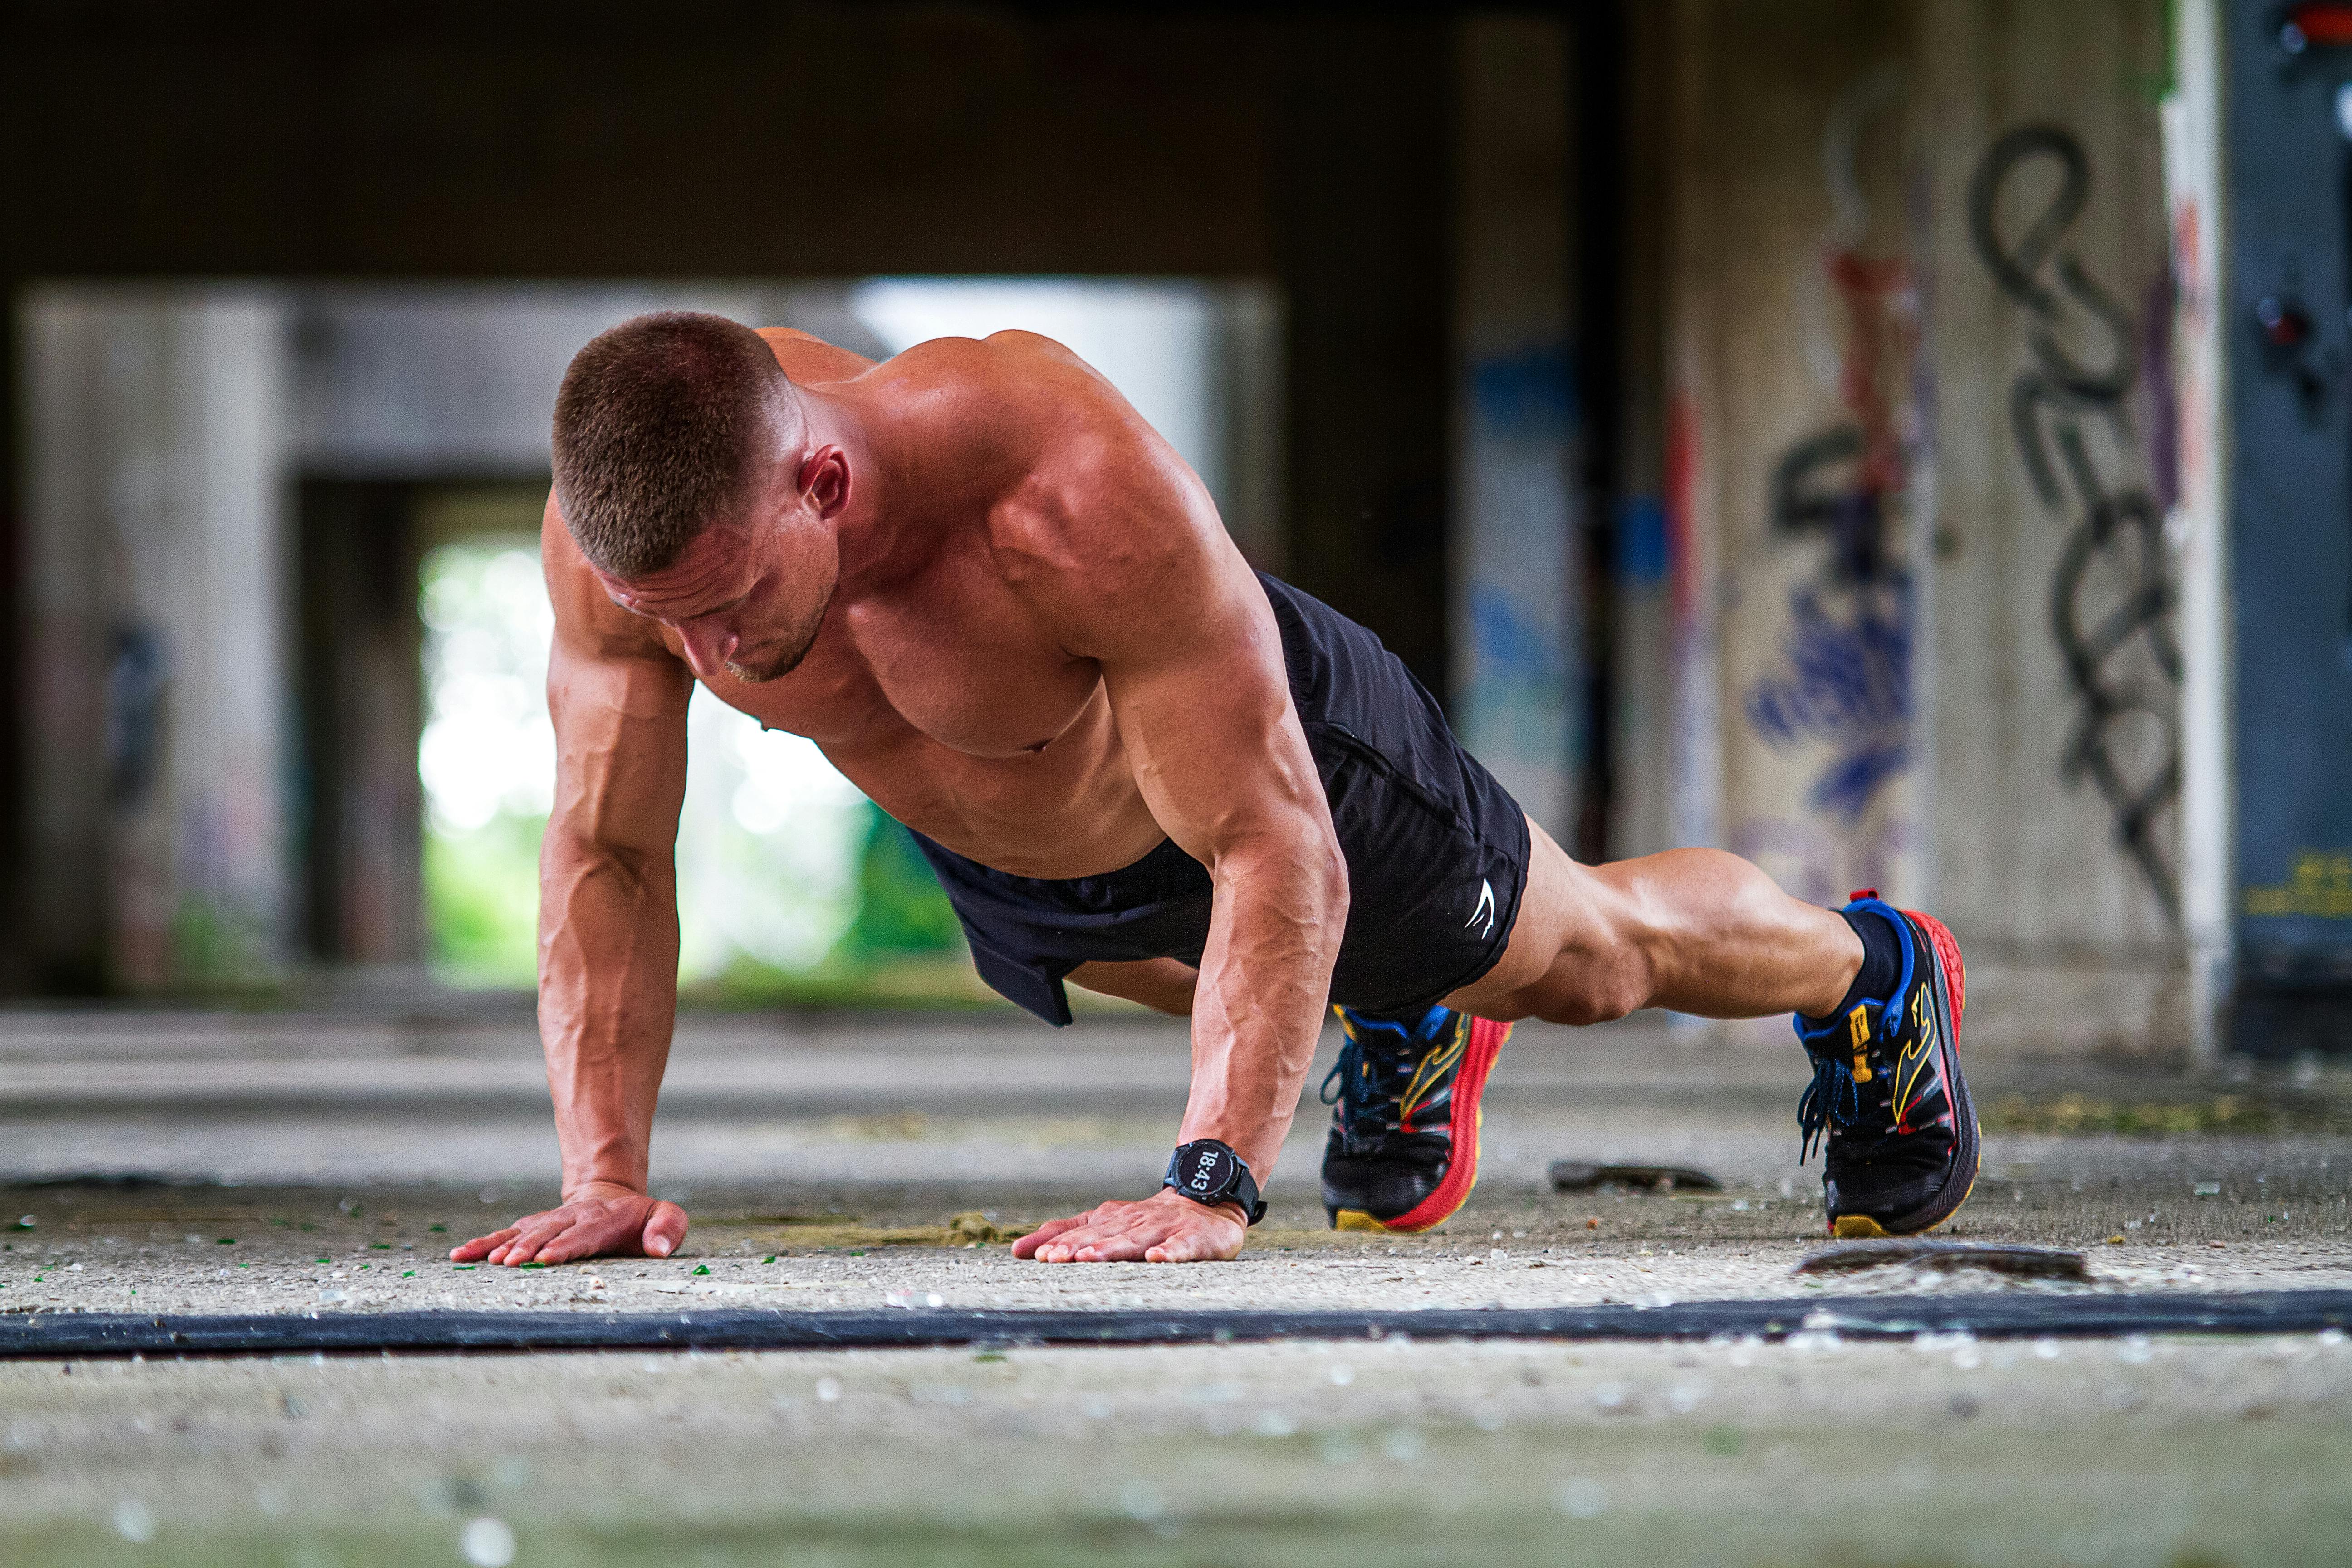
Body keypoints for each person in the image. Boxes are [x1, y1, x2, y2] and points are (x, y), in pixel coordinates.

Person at [452, 312, 1976, 1270]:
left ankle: (1872, 972)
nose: (707, 659)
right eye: (667, 620)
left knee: (1587, 963)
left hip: (1272, 765)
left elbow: (1269, 838)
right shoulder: (637, 553)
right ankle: (1404, 1022)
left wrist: (1210, 1184)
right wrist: (604, 1175)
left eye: (726, 608)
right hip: (1039, 849)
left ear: (824, 486)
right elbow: (609, 853)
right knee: (1197, 965)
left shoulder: (1059, 488)